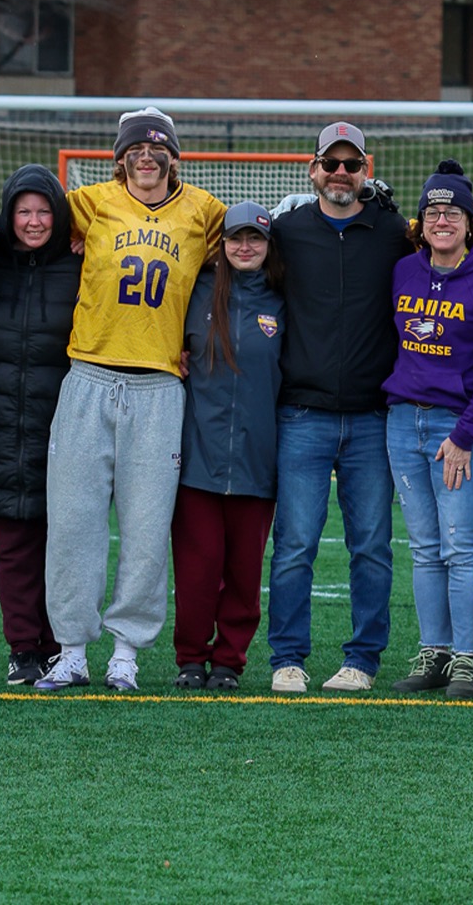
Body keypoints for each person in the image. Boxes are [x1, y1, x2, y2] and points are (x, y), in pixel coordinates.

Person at [36, 107, 225, 693]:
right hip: (88, 376)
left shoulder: (205, 211)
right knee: (72, 522)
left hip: (159, 386)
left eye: (157, 148)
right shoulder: (89, 203)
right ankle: (70, 648)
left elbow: (262, 240)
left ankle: (126, 652)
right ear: (119, 159)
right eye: (135, 150)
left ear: (174, 155)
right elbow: (32, 214)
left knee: (145, 528)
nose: (147, 157)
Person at [265, 121, 410, 694]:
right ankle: (288, 658)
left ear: (366, 170)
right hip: (301, 413)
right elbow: (231, 259)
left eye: (352, 165)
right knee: (295, 544)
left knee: (371, 546)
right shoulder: (286, 231)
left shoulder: (396, 232)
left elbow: (457, 245)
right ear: (313, 170)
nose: (341, 174)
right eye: (332, 164)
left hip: (374, 417)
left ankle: (363, 659)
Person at [382, 162, 473, 699]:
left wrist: (464, 435)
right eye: (433, 212)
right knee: (423, 546)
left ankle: (469, 656)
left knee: (461, 548)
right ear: (421, 221)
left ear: (470, 222)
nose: (442, 221)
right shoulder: (404, 272)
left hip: (456, 428)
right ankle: (435, 651)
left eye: (453, 213)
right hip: (402, 423)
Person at [0, 164, 80, 685]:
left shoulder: (83, 262)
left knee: (63, 543)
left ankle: (59, 646)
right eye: (23, 211)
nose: (33, 222)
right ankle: (22, 649)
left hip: (66, 426)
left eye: (44, 211)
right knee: (12, 549)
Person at [170, 201, 286, 691]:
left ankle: (228, 662)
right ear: (220, 245)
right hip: (199, 458)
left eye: (255, 239)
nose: (244, 247)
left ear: (267, 246)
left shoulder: (284, 301)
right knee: (197, 572)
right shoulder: (194, 293)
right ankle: (191, 659)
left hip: (259, 460)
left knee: (243, 573)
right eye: (235, 238)